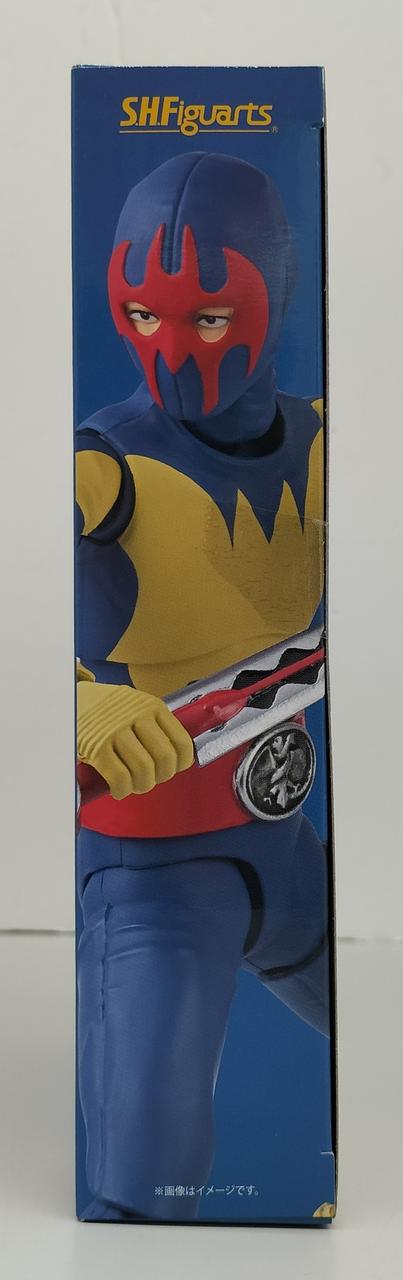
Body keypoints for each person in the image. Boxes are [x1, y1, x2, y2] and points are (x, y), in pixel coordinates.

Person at [75, 152, 329, 1221]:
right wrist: (76, 701)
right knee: (143, 1188)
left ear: (276, 288)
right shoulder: (98, 468)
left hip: (296, 857)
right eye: (142, 312)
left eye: (211, 317)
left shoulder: (325, 442)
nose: (174, 350)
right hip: (155, 887)